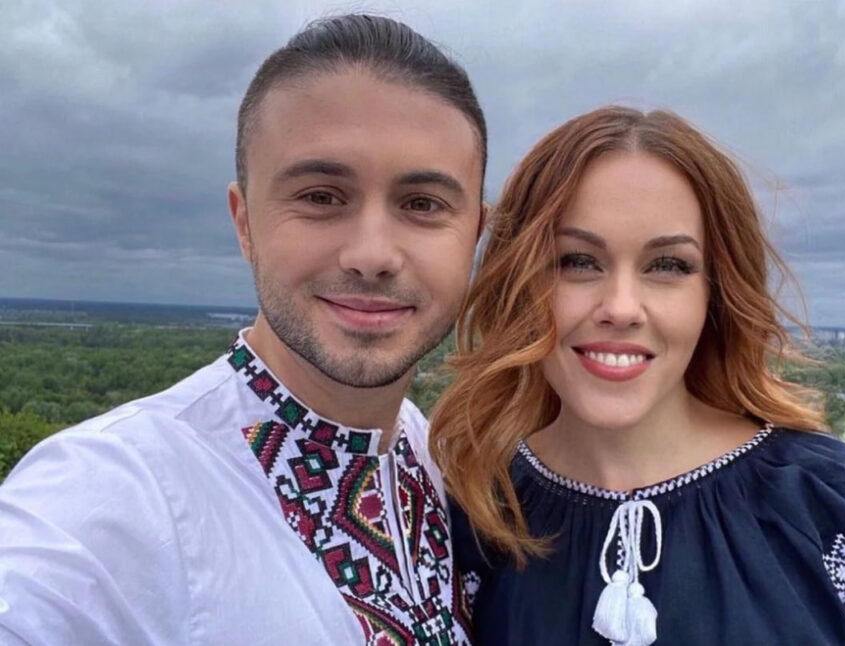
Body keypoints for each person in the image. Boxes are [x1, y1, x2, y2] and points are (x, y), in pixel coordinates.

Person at [0, 15, 484, 645]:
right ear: (245, 223)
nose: (372, 254)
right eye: (321, 196)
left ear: (474, 236)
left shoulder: (433, 454)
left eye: (422, 205)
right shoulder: (113, 496)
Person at [430, 106, 845, 645]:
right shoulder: (481, 507)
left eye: (668, 265)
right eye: (577, 261)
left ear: (714, 293)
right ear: (519, 282)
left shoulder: (821, 496)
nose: (621, 308)